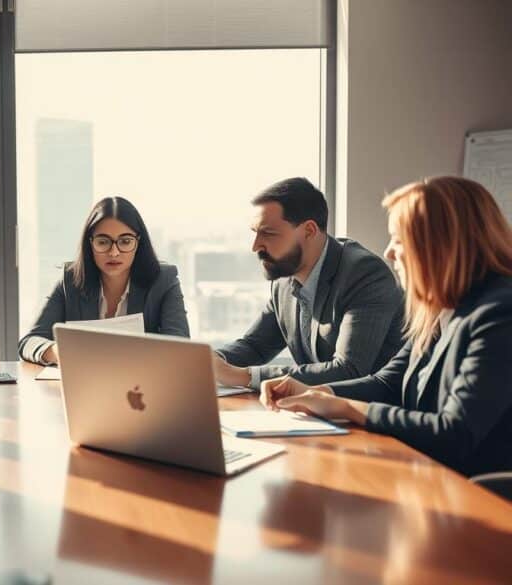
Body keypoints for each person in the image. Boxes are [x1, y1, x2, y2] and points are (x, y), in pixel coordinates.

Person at [262, 176, 512, 476]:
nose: (389, 252)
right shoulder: (442, 308)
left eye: (399, 239)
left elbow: (454, 433)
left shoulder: (499, 313)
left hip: (482, 497)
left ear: (441, 244)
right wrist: (317, 393)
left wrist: (347, 408)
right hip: (431, 477)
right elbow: (388, 383)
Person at [214, 177, 404, 389]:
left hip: (374, 414)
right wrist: (207, 362)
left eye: (268, 233)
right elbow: (256, 346)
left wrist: (246, 376)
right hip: (318, 412)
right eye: (255, 232)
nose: (256, 246)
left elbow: (349, 370)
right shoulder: (285, 279)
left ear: (309, 231)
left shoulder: (364, 274)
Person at [19, 196, 190, 366]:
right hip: (84, 387)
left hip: (143, 388)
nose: (114, 252)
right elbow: (29, 342)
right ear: (90, 244)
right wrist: (58, 351)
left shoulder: (164, 280)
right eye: (103, 242)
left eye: (125, 241)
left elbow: (180, 347)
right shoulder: (71, 280)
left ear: (138, 243)